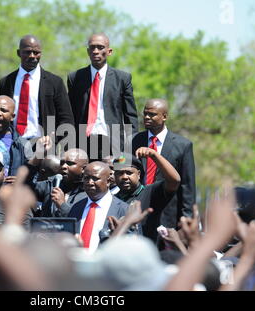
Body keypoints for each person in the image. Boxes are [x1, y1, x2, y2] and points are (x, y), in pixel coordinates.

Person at [67, 33, 138, 160]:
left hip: (114, 143)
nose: (96, 51)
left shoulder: (122, 78)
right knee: (86, 178)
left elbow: (130, 116)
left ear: (109, 51)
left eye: (100, 47)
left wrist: (130, 145)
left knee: (116, 176)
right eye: (92, 48)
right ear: (88, 51)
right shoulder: (75, 78)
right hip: (83, 143)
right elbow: (70, 113)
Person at [132, 98, 196, 229]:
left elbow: (187, 186)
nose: (147, 117)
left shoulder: (182, 145)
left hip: (167, 215)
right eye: (145, 113)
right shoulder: (134, 140)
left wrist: (186, 220)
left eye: (152, 114)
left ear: (165, 116)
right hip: (136, 211)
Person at [0, 35, 74, 139]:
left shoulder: (55, 82)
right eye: (28, 52)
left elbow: (66, 119)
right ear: (19, 53)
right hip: (12, 145)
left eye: (36, 52)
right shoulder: (6, 82)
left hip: (43, 147)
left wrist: (53, 140)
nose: (32, 56)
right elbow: (0, 115)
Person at [113, 152, 180, 243]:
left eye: (129, 173)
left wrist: (154, 156)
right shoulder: (112, 200)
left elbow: (174, 181)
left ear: (139, 174)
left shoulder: (151, 192)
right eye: (119, 173)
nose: (124, 177)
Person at [68, 162, 129, 253]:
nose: (90, 183)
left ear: (108, 181)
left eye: (95, 178)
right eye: (86, 178)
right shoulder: (76, 208)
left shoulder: (124, 210)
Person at [26, 136, 89, 217]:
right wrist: (37, 156)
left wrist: (62, 205)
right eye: (62, 163)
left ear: (83, 169)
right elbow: (25, 186)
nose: (64, 166)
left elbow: (82, 220)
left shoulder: (89, 192)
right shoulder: (52, 184)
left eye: (70, 163)